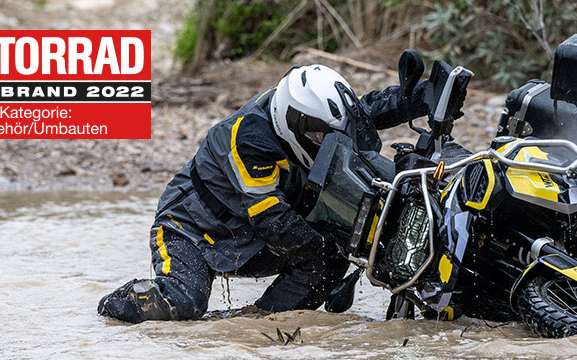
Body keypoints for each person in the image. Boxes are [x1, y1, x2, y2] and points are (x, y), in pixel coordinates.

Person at [98, 63, 452, 323]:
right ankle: (111, 308)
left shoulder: (307, 111)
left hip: (248, 236)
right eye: (318, 139)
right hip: (189, 230)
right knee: (183, 303)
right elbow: (272, 222)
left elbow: (364, 111)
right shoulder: (246, 139)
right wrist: (338, 245)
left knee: (325, 266)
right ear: (294, 126)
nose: (323, 144)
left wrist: (422, 98)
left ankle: (258, 325)